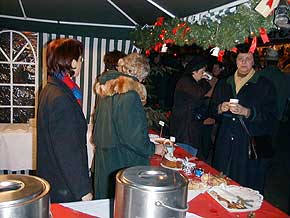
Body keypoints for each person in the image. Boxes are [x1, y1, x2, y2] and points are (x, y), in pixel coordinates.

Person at [92, 52, 165, 199]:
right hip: (122, 161)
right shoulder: (129, 95)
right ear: (140, 74)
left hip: (105, 158)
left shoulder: (108, 88)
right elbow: (133, 137)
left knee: (105, 204)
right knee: (122, 205)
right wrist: (154, 148)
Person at [211, 43, 277, 194]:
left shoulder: (265, 85)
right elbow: (212, 109)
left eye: (248, 59)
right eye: (241, 58)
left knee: (244, 190)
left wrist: (248, 112)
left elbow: (272, 118)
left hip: (248, 147)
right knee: (221, 185)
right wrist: (220, 108)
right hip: (225, 143)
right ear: (236, 61)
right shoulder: (225, 83)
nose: (244, 62)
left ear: (254, 61)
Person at [37, 38, 92, 203]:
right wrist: (83, 191)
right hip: (64, 185)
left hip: (55, 178)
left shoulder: (51, 89)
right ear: (73, 63)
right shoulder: (61, 97)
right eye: (81, 59)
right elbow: (68, 150)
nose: (82, 63)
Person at [169, 55, 211, 160]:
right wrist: (206, 81)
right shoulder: (185, 81)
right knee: (184, 155)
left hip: (189, 127)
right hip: (184, 128)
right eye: (202, 72)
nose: (203, 74)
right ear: (194, 71)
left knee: (190, 154)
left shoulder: (193, 82)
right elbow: (199, 93)